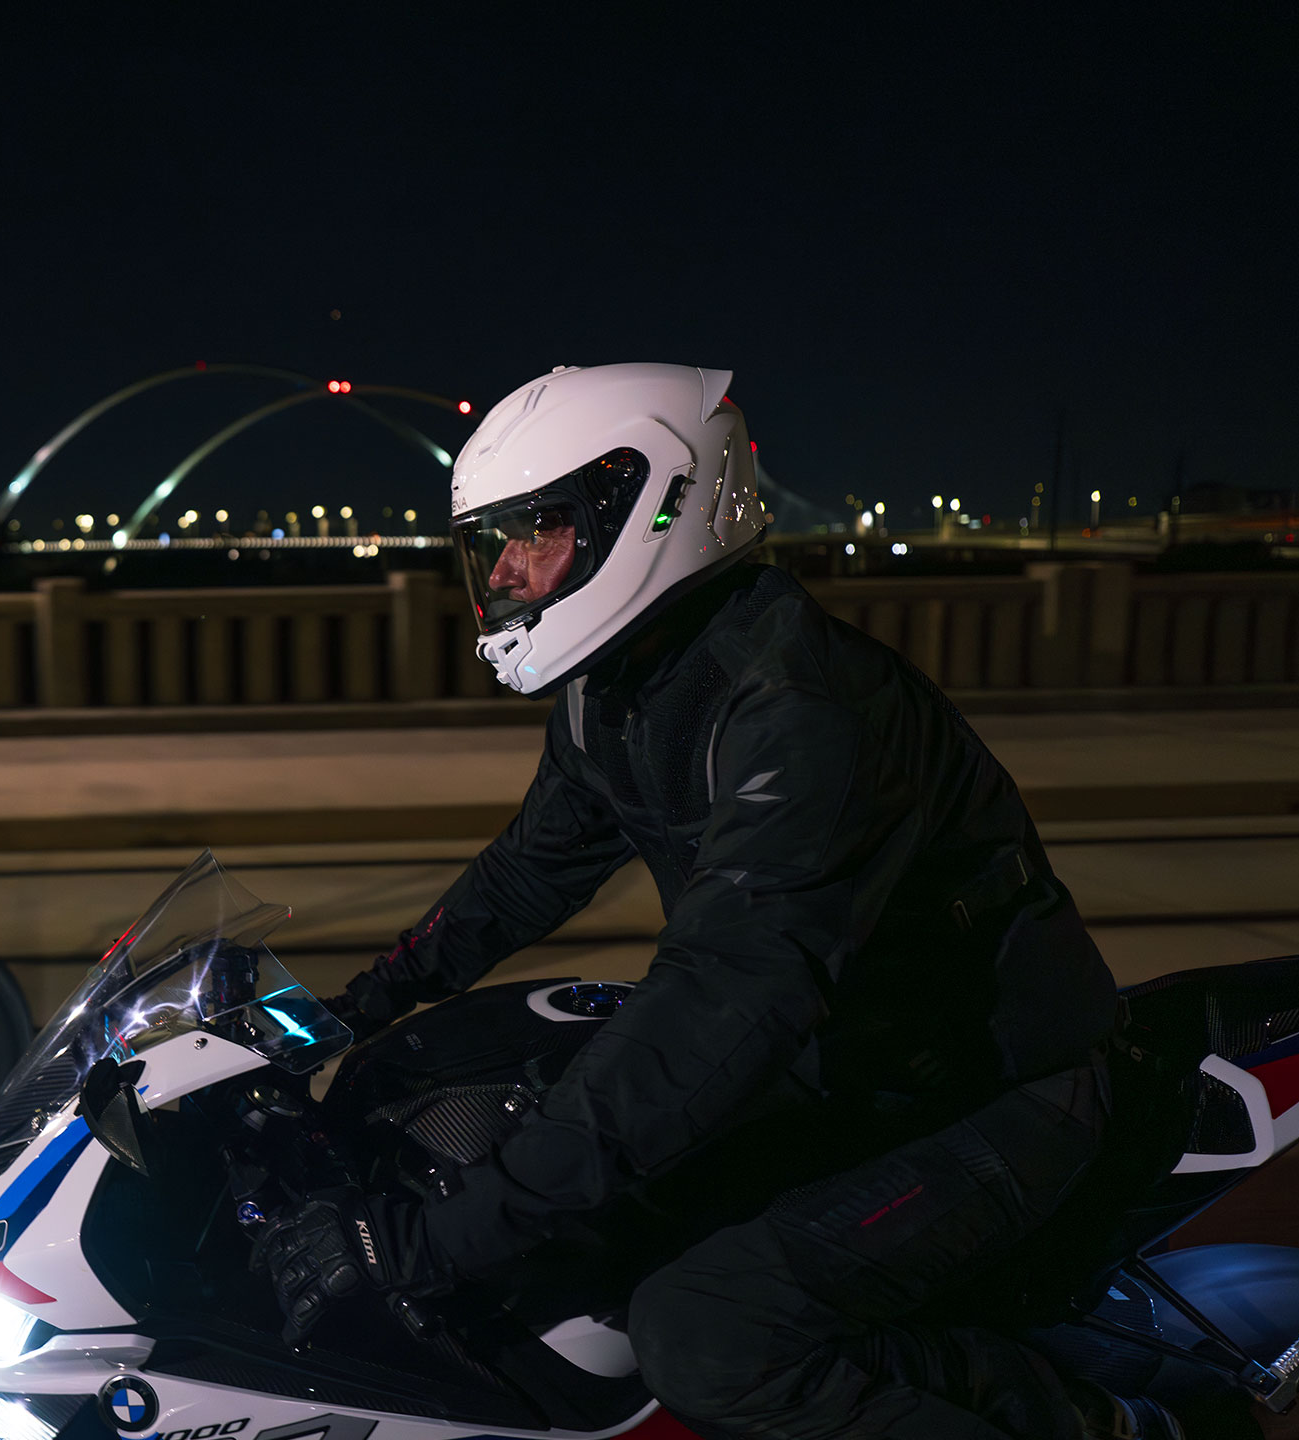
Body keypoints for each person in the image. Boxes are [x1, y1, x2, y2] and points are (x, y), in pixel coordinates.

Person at [253, 365, 1179, 1440]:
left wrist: (426, 1243)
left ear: (653, 507)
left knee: (709, 1336)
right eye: (493, 542)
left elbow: (729, 990)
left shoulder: (802, 705)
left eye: (536, 531)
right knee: (561, 1228)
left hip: (988, 1093)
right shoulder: (622, 685)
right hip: (842, 1069)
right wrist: (350, 1010)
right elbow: (527, 874)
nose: (503, 569)